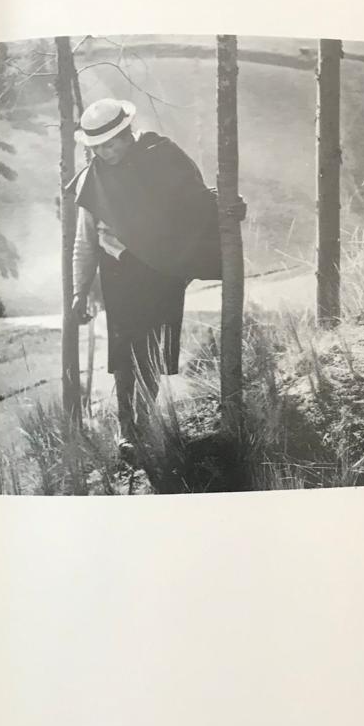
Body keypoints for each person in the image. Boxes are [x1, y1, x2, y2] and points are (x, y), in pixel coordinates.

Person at [70, 97, 244, 461]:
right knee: (123, 351)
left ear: (129, 133)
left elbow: (193, 202)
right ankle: (126, 430)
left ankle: (144, 422)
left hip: (160, 270)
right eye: (98, 146)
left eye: (113, 141)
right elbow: (84, 241)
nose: (107, 150)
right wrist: (79, 290)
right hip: (118, 274)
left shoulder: (162, 157)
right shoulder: (92, 181)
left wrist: (226, 208)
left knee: (149, 348)